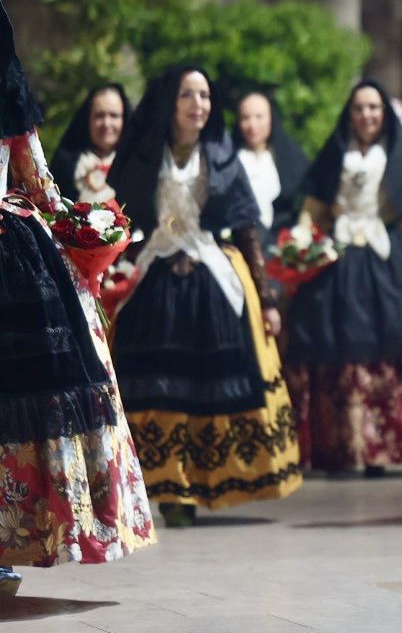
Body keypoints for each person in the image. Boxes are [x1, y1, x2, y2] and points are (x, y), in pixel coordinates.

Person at [1, 0, 153, 595]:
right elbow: (39, 185)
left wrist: (86, 227)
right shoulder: (9, 99)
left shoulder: (10, 102)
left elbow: (38, 182)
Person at [106, 66, 302, 525]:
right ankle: (167, 487)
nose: (199, 104)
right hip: (156, 274)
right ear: (170, 103)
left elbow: (247, 227)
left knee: (210, 383)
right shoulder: (146, 154)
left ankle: (205, 481)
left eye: (205, 95)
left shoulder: (221, 154)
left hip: (211, 277)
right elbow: (121, 216)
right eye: (188, 95)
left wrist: (267, 299)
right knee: (155, 381)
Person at [284, 80, 402, 476]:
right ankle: (344, 446)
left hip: (387, 260)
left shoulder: (399, 156)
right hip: (339, 261)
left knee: (389, 348)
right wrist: (298, 248)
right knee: (339, 351)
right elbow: (312, 210)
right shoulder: (335, 155)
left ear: (385, 114)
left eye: (374, 108)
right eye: (359, 108)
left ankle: (382, 447)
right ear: (350, 114)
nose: (367, 116)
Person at [234, 90, 310, 243]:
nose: (252, 125)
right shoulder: (229, 159)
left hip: (281, 241)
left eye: (259, 117)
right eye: (245, 118)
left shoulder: (288, 156)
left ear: (271, 118)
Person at [49, 83, 128, 206]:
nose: (106, 123)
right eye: (99, 115)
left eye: (114, 115)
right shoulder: (65, 163)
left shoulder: (134, 166)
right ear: (87, 119)